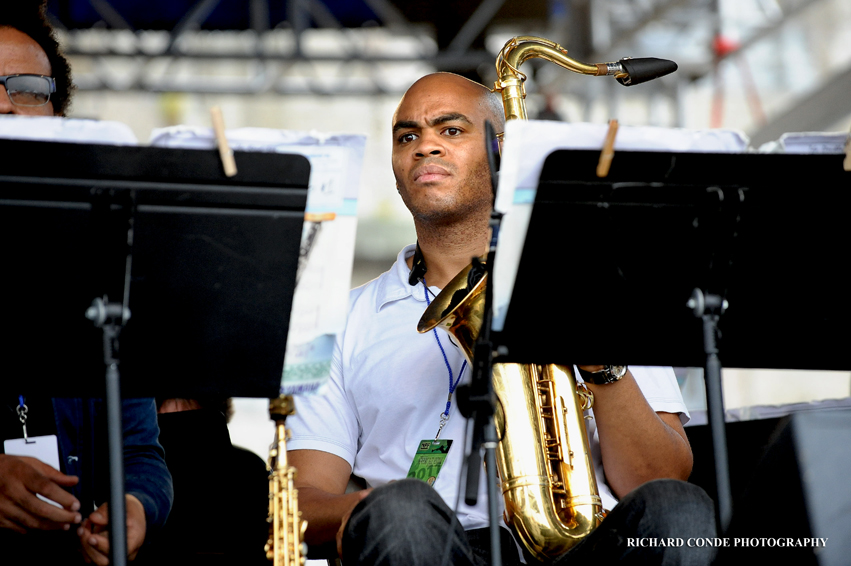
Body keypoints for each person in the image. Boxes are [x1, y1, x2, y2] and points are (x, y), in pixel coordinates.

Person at [287, 71, 716, 565]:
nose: (425, 146)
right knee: (401, 512)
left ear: (503, 151)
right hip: (435, 546)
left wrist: (599, 362)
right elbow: (301, 503)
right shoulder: (338, 321)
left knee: (680, 508)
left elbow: (660, 482)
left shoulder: (600, 287)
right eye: (407, 137)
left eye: (451, 130)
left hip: (590, 547)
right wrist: (378, 509)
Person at [0, 3, 173, 565]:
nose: (5, 103)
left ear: (57, 113)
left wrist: (135, 506)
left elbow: (141, 453)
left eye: (27, 88)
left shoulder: (102, 267)